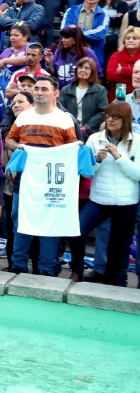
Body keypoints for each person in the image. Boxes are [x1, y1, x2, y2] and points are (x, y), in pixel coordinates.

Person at [4, 76, 79, 277]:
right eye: (36, 89)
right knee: (20, 221)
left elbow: (72, 149)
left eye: (44, 89)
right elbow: (9, 140)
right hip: (24, 178)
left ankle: (47, 270)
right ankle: (18, 267)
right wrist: (18, 146)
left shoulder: (64, 119)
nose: (38, 92)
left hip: (50, 181)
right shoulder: (23, 117)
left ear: (56, 93)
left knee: (50, 224)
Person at [67, 102, 140, 286]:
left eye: (116, 117)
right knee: (77, 230)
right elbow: (86, 172)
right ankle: (77, 271)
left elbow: (138, 174)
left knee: (118, 245)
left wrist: (119, 157)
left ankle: (115, 281)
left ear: (126, 119)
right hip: (99, 199)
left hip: (126, 202)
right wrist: (97, 160)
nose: (110, 120)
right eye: (108, 116)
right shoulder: (94, 139)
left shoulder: (137, 141)